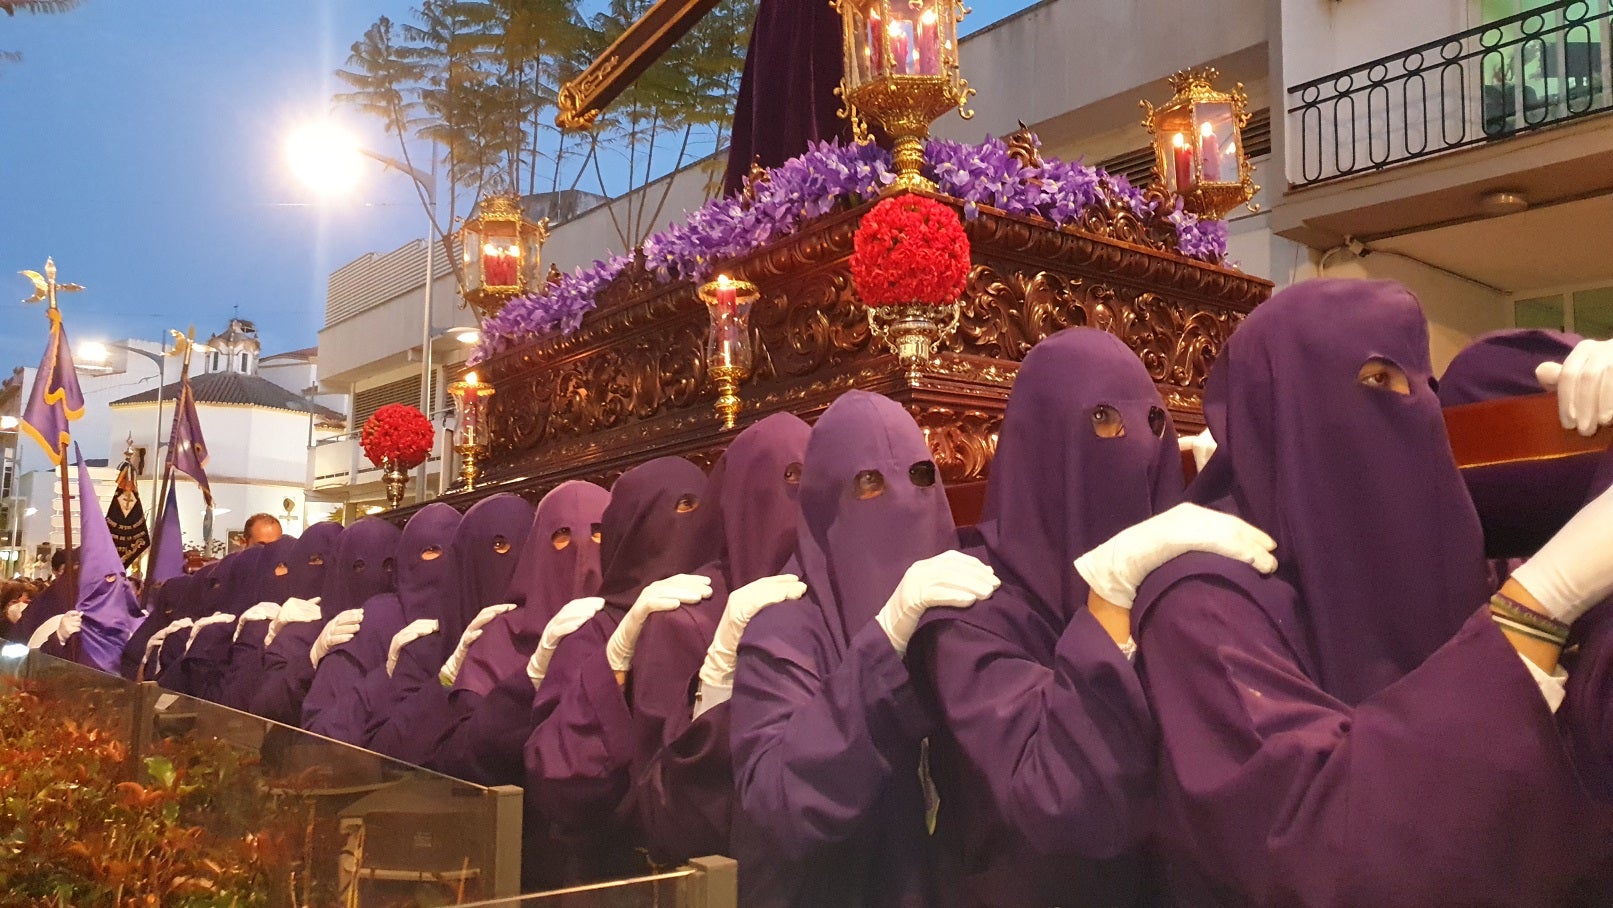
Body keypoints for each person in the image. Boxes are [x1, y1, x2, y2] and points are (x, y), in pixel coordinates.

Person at [1132, 279, 1613, 905]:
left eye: (1416, 383)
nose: (1407, 406)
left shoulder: (1457, 564)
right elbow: (1321, 850)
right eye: (1376, 379)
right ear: (1278, 409)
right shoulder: (1202, 603)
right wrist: (1537, 607)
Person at [907, 328, 1276, 907]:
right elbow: (1057, 798)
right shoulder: (973, 604)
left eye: (1155, 424)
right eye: (1103, 419)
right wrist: (1110, 601)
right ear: (1039, 439)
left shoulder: (1171, 585)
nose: (1139, 448)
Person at [729, 391, 1000, 906]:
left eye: (922, 477)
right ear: (826, 504)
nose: (903, 498)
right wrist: (883, 644)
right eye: (869, 484)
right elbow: (781, 805)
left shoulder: (965, 594)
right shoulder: (787, 627)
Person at [531, 413, 811, 870]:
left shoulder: (737, 600)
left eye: (698, 510)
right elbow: (562, 782)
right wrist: (614, 657)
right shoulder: (601, 625)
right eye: (674, 510)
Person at [302, 504, 460, 744]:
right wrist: (387, 676)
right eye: (431, 550)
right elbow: (319, 735)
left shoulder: (487, 620)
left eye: (455, 549)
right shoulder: (376, 621)